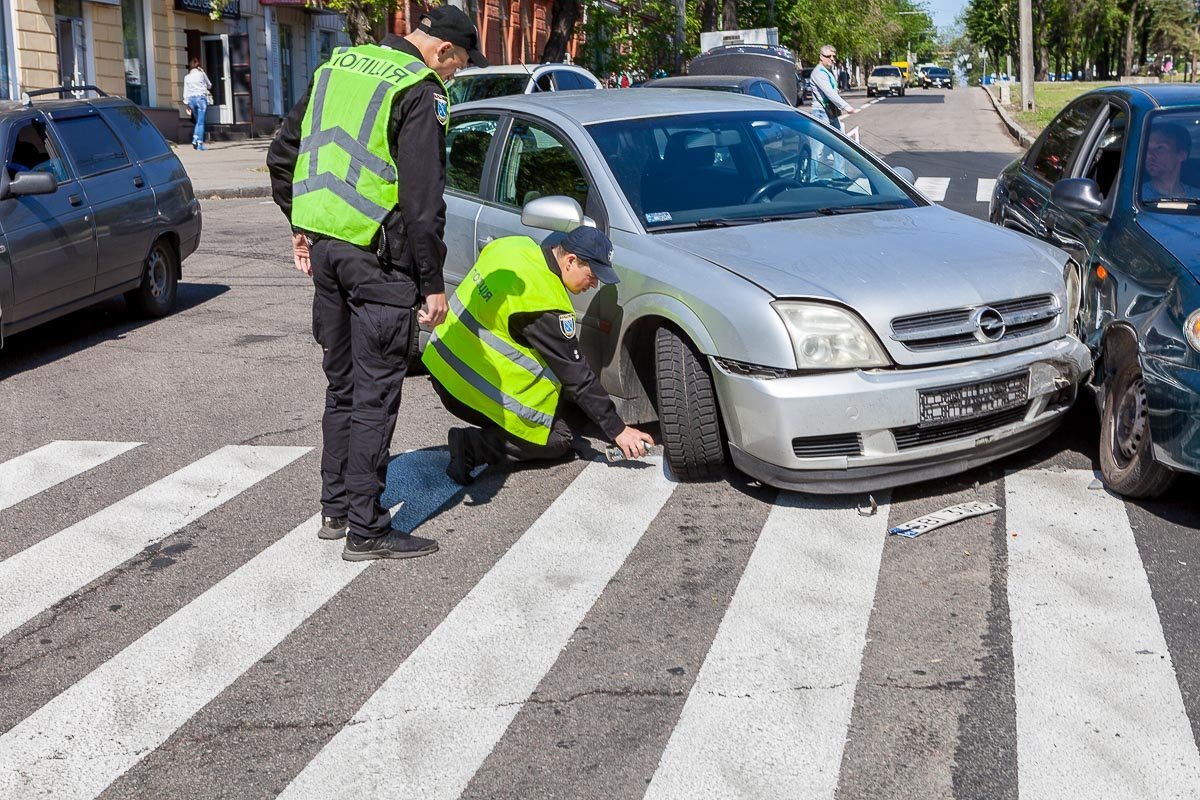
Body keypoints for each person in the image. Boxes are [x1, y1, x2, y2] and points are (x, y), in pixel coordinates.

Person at [267, 5, 486, 561]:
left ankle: (335, 509)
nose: (454, 76)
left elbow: (282, 154)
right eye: (458, 66)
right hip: (380, 264)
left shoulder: (335, 65)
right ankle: (367, 528)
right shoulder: (419, 88)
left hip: (329, 255)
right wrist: (432, 283)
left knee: (341, 386)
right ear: (442, 51)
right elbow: (421, 200)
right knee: (375, 396)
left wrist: (300, 224)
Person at [421, 227, 655, 484]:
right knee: (559, 439)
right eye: (592, 275)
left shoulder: (514, 247)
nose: (594, 284)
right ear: (570, 261)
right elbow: (578, 376)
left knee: (557, 413)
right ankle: (470, 447)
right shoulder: (542, 301)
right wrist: (619, 430)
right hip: (466, 386)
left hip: (440, 361)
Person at [1141, 122, 1200, 201]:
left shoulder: (1196, 197)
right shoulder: (1136, 196)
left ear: (1181, 155)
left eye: (1160, 148)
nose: (1149, 155)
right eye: (1146, 149)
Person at [183, 58, 212, 151]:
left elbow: (185, 91)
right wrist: (203, 73)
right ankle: (199, 143)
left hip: (191, 100)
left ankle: (195, 138)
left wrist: (186, 103)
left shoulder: (187, 77)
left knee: (198, 121)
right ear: (198, 66)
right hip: (201, 99)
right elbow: (209, 85)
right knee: (201, 122)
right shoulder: (201, 74)